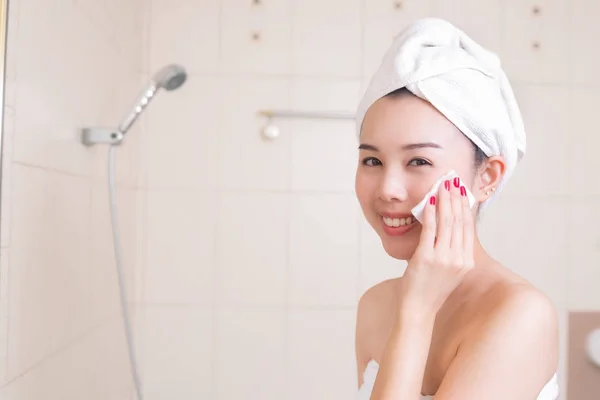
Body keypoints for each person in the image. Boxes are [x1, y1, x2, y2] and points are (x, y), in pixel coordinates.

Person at [353, 18, 559, 400]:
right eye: (372, 161)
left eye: (418, 161)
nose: (388, 190)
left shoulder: (520, 314)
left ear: (487, 177)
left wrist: (416, 313)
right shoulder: (375, 307)